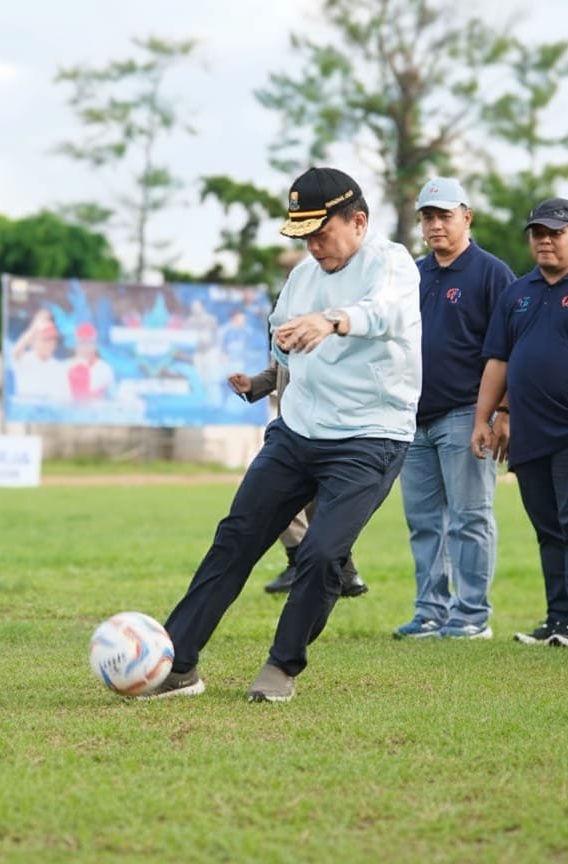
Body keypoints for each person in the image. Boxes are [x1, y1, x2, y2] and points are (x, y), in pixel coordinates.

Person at [145, 166, 421, 702]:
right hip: (296, 433)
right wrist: (268, 370)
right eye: (304, 236)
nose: (313, 247)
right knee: (235, 539)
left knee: (321, 554)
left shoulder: (391, 264)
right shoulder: (302, 277)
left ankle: (281, 667)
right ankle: (178, 664)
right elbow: (283, 337)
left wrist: (332, 321)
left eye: (321, 233)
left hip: (370, 437)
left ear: (358, 220)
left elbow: (384, 313)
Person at [471, 198, 568, 649]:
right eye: (537, 232)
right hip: (527, 430)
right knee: (547, 528)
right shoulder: (517, 293)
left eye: (554, 232)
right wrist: (488, 417)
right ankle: (557, 619)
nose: (544, 240)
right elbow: (498, 361)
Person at [394, 177, 515, 641]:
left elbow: (507, 348)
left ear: (467, 216)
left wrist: (500, 411)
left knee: (469, 518)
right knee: (423, 522)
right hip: (414, 417)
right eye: (428, 216)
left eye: (445, 215)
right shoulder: (413, 275)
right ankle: (430, 611)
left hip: (467, 413)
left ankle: (471, 615)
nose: (435, 224)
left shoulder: (491, 273)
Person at [228, 360, 368, 598]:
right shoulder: (282, 323)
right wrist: (253, 385)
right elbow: (281, 367)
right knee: (296, 500)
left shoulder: (331, 325)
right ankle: (341, 572)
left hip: (328, 426)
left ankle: (315, 566)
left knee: (310, 503)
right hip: (292, 427)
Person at [11, 312, 71, 403]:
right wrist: (35, 327)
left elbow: (64, 398)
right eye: (45, 339)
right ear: (35, 341)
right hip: (27, 410)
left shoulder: (58, 367)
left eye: (52, 340)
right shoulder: (24, 360)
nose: (49, 344)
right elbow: (15, 352)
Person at [67, 322, 116, 400]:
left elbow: (112, 397)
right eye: (83, 342)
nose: (86, 347)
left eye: (89, 343)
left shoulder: (104, 369)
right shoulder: (66, 367)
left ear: (95, 345)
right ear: (76, 345)